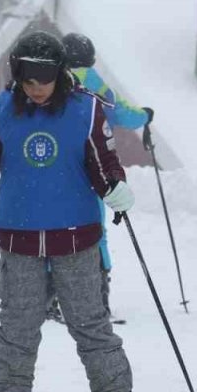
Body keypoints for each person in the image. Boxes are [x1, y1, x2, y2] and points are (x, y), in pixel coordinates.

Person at [0, 30, 136, 392]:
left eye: (44, 81)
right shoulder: (2, 108)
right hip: (20, 234)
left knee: (88, 319)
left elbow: (103, 162)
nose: (36, 89)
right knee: (19, 320)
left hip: (75, 233)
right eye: (28, 81)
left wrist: (115, 186)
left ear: (60, 74)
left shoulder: (86, 109)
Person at [63, 31, 153, 317]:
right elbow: (125, 115)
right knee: (93, 231)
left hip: (59, 167)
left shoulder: (54, 82)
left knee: (54, 226)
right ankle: (98, 298)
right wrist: (145, 115)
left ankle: (51, 296)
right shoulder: (99, 86)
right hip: (94, 168)